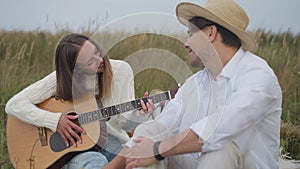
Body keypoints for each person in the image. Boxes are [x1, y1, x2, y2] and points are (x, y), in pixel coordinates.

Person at [105, 0, 282, 169]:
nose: (185, 44)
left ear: (211, 33)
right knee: (147, 132)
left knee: (221, 147)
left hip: (239, 163)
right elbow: (161, 126)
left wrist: (156, 150)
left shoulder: (258, 76)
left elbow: (220, 130)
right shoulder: (195, 84)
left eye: (190, 34)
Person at [5, 33, 155, 168]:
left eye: (97, 51)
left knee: (139, 161)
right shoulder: (60, 79)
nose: (100, 59)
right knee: (96, 162)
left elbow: (125, 124)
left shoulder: (121, 70)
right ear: (76, 70)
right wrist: (54, 121)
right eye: (90, 62)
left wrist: (139, 115)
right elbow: (14, 104)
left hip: (110, 142)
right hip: (70, 151)